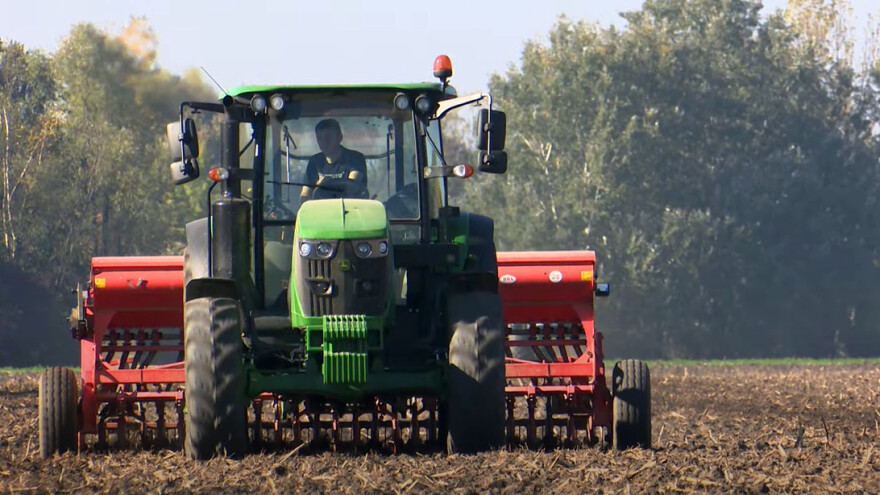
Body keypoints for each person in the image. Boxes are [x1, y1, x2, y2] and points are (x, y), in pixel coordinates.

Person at [300, 119, 368, 201]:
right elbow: (305, 195)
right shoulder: (314, 162)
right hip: (321, 210)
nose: (324, 142)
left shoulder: (355, 158)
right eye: (320, 138)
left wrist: (323, 183)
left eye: (328, 137)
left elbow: (351, 187)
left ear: (339, 137)